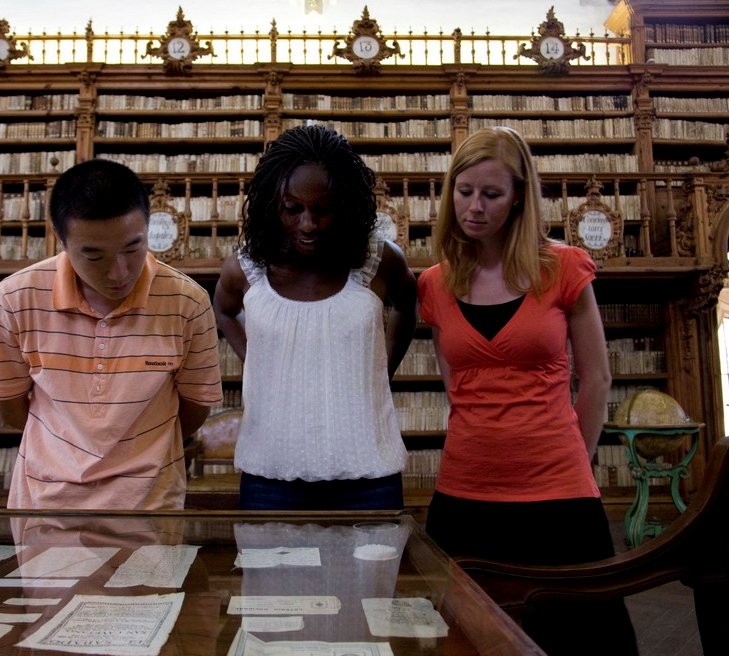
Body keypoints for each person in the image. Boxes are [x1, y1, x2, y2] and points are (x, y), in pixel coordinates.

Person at [417, 126, 638, 655]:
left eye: (491, 195)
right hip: (466, 490)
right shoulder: (434, 283)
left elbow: (597, 377)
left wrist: (577, 459)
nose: (474, 207)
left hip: (558, 492)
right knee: (466, 637)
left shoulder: (561, 267)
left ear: (519, 197)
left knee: (581, 638)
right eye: (464, 191)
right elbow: (458, 386)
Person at [0, 158, 223, 510]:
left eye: (132, 249)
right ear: (60, 239)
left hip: (150, 506)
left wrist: (139, 451)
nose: (118, 273)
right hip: (46, 504)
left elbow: (194, 409)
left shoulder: (188, 302)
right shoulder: (17, 297)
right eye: (94, 256)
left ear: (148, 229)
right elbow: (8, 403)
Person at [213, 124, 418, 511]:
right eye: (293, 209)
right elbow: (223, 310)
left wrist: (381, 369)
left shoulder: (379, 261)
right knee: (271, 573)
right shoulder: (247, 267)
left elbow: (408, 305)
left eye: (323, 210)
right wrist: (255, 359)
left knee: (372, 574)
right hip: (270, 478)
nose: (307, 225)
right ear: (274, 203)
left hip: (369, 476)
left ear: (347, 204)